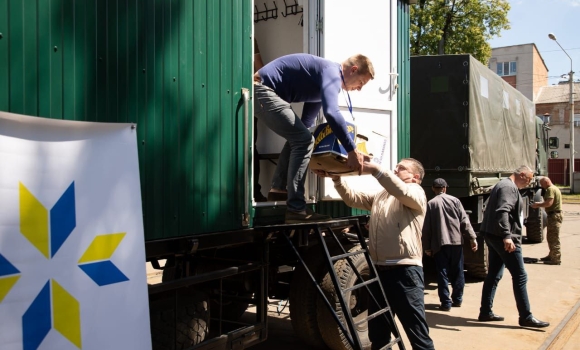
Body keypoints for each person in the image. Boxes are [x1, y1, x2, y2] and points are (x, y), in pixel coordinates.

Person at [314, 158, 435, 350]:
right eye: (395, 167)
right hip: (379, 271)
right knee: (378, 332)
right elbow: (353, 198)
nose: (396, 170)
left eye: (401, 168)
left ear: (415, 177)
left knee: (417, 333)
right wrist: (337, 180)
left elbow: (401, 190)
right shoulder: (382, 196)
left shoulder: (416, 192)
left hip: (404, 271)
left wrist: (376, 170)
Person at [254, 53, 374, 223]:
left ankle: (278, 189)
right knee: (303, 140)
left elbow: (306, 125)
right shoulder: (332, 72)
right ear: (354, 70)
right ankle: (296, 209)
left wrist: (324, 162)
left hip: (263, 92)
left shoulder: (322, 82)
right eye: (361, 83)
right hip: (261, 90)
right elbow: (332, 113)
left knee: (302, 136)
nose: (359, 88)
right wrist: (351, 150)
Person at [478, 165, 550, 328]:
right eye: (529, 179)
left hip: (493, 235)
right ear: (522, 174)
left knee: (494, 274)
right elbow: (502, 211)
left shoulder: (503, 185)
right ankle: (526, 316)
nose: (529, 182)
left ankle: (485, 312)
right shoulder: (508, 187)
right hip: (503, 238)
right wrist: (507, 236)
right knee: (520, 276)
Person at [422, 178, 478, 311]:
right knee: (458, 272)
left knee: (442, 273)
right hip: (456, 242)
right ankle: (457, 299)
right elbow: (465, 221)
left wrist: (427, 247)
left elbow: (427, 228)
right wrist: (472, 238)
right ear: (445, 188)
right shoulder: (455, 201)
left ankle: (445, 303)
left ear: (433, 189)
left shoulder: (431, 204)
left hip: (439, 244)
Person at [530, 176, 562, 265]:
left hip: (554, 215)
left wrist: (537, 205)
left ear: (547, 182)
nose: (541, 186)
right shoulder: (554, 188)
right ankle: (552, 255)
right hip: (555, 215)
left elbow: (549, 203)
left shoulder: (550, 189)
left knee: (553, 238)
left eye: (542, 184)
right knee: (551, 237)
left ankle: (555, 259)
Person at [253, 38, 267, 202]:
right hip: (248, 97)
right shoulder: (250, 34)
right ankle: (255, 192)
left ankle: (255, 192)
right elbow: (261, 70)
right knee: (250, 148)